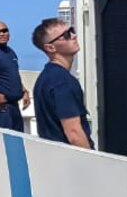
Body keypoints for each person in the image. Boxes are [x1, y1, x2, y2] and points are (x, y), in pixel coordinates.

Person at [31, 19, 93, 148]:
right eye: (66, 35)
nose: (74, 36)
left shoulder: (45, 78)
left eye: (72, 31)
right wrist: (93, 164)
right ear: (50, 47)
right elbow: (74, 134)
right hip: (72, 162)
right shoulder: (63, 82)